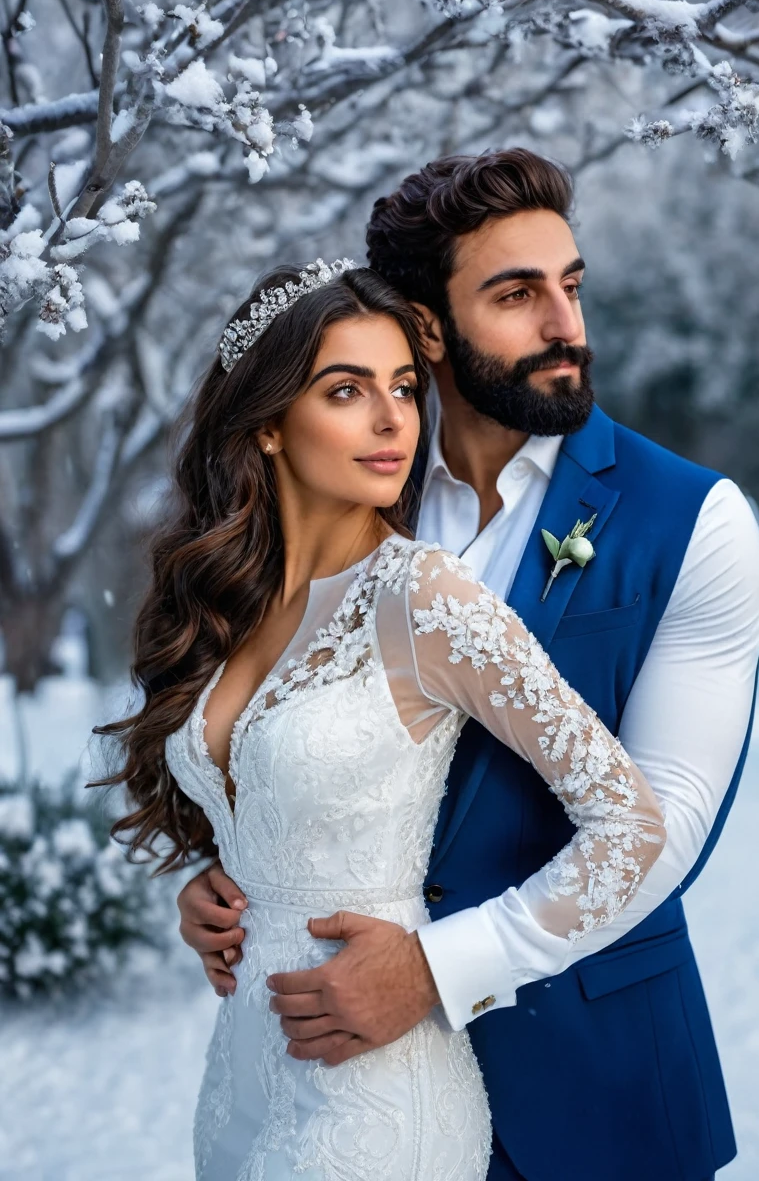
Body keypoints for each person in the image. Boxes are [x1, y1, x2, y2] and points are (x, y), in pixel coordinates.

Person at [176, 150, 759, 1181]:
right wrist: (240, 869)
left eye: (570, 286)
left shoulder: (694, 522)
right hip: (324, 1072)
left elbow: (664, 820)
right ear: (428, 323)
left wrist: (438, 969)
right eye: (516, 294)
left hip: (595, 1088)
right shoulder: (357, 482)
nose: (564, 325)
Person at [95, 258, 667, 1179]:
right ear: (269, 423)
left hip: (374, 1094)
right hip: (242, 1078)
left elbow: (632, 827)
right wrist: (220, 879)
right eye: (347, 389)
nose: (394, 417)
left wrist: (440, 967)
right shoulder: (236, 604)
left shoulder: (425, 598)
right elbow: (278, 801)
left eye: (403, 386)